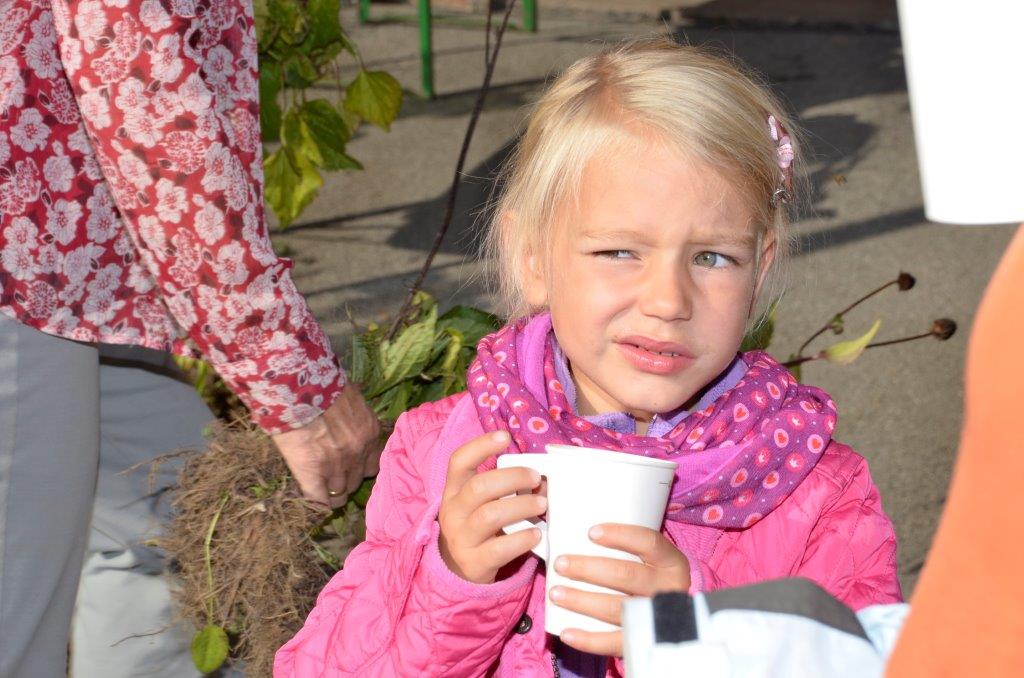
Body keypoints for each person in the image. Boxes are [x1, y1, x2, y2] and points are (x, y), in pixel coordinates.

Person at [274, 39, 901, 677]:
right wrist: (454, 581)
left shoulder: (815, 492)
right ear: (533, 257)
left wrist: (695, 637)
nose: (667, 301)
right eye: (619, 252)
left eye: (712, 257)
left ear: (759, 269)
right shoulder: (440, 452)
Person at [0, 1, 379, 676]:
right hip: (20, 263)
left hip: (70, 265)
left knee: (172, 531)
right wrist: (289, 375)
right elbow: (143, 88)